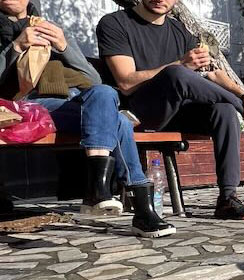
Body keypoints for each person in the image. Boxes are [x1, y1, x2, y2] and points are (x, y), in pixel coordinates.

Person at [97, 0, 244, 220]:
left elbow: (213, 72)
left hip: (177, 112)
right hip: (138, 115)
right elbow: (125, 81)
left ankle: (227, 199)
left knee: (224, 109)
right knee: (176, 74)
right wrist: (179, 64)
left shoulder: (179, 29)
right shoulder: (115, 23)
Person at [0, 0, 173, 237]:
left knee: (105, 94)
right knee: (118, 120)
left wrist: (64, 45)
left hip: (71, 102)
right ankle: (140, 209)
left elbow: (92, 79)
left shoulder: (50, 26)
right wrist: (16, 47)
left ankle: (100, 191)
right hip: (25, 105)